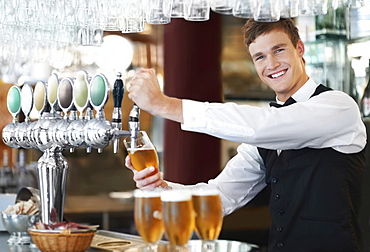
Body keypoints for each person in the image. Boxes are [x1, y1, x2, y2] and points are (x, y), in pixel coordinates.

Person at [126, 18, 367, 251]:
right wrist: (161, 188)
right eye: (260, 57)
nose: (271, 64)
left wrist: (165, 105)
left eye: (279, 50)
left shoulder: (339, 107)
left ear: (300, 48)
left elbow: (265, 126)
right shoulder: (263, 139)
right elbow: (219, 197)